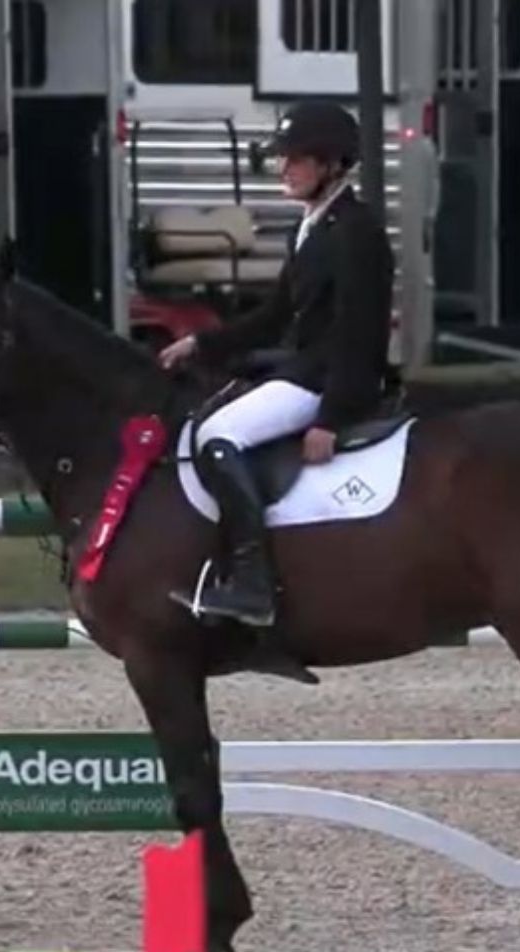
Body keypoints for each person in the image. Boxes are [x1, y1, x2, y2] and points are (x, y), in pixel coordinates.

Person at [156, 100, 397, 628]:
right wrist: (203, 344)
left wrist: (331, 418)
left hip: (326, 380)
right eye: (282, 158)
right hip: (304, 368)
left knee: (216, 438)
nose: (283, 169)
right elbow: (275, 315)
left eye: (297, 159)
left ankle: (252, 584)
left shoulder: (356, 232)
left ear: (332, 164)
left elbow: (361, 334)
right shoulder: (311, 227)